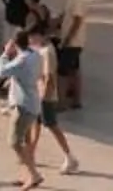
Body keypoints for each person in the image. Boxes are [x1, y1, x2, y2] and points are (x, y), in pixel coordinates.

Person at [0, 25, 49, 191]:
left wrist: (5, 53)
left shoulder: (21, 60)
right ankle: (28, 175)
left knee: (14, 141)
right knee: (25, 142)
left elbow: (1, 72)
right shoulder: (35, 55)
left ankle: (34, 175)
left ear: (15, 44)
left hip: (22, 107)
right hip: (33, 104)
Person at [30, 25, 82, 175]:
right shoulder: (43, 49)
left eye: (33, 37)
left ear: (40, 36)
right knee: (36, 123)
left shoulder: (47, 52)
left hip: (45, 96)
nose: (31, 41)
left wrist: (44, 96)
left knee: (52, 126)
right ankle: (31, 153)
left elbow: (49, 77)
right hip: (39, 94)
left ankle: (70, 157)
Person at [54, 0, 89, 111]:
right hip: (74, 42)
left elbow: (77, 21)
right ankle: (76, 100)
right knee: (74, 70)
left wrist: (66, 40)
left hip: (73, 42)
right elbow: (63, 17)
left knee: (62, 73)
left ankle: (61, 102)